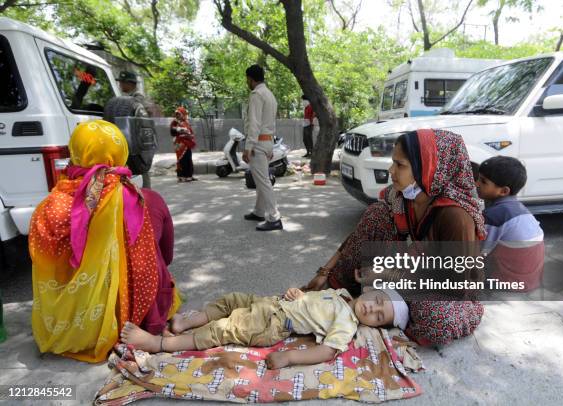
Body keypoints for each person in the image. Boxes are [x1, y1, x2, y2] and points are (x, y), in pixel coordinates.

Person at [302, 129, 486, 346]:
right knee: (376, 214)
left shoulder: (456, 216)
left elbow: (454, 284)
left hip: (449, 288)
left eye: (400, 165)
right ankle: (349, 295)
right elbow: (362, 232)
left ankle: (395, 313)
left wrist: (391, 274)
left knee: (435, 318)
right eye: (393, 163)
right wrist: (326, 271)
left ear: (427, 168)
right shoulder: (402, 194)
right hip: (411, 269)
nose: (391, 170)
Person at [29, 119, 180, 363]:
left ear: (75, 152)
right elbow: (165, 256)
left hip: (69, 322)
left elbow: (46, 267)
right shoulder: (141, 199)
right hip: (132, 319)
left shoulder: (49, 207)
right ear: (121, 152)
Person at [120, 287, 408, 369]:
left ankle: (158, 344)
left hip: (273, 323)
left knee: (223, 329)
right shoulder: (343, 292)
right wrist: (299, 293)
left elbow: (326, 351)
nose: (372, 309)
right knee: (231, 299)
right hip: (271, 302)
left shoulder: (347, 324)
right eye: (377, 301)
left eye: (378, 317)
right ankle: (185, 321)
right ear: (371, 292)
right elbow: (311, 300)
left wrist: (289, 357)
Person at [476, 156, 545, 291]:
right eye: (478, 178)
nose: (476, 184)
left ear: (504, 191)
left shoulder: (496, 216)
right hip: (530, 280)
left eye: (483, 182)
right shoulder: (519, 209)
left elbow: (480, 252)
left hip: (508, 283)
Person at [242, 64, 282, 231]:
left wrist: (248, 146)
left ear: (251, 79)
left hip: (258, 142)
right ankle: (259, 211)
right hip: (267, 142)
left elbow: (255, 123)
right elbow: (270, 123)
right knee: (260, 179)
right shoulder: (269, 95)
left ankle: (274, 218)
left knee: (263, 181)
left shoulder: (257, 94)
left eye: (247, 79)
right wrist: (270, 147)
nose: (247, 82)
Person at [114, 70, 153, 189]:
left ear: (130, 84)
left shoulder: (137, 98)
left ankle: (146, 194)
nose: (120, 85)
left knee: (140, 168)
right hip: (130, 139)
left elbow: (146, 116)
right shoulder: (126, 99)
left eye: (122, 82)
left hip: (137, 140)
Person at [170, 106, 197, 182]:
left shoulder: (186, 122)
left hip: (187, 143)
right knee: (182, 159)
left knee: (189, 158)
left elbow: (190, 132)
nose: (178, 116)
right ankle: (182, 176)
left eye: (179, 114)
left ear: (183, 114)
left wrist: (188, 134)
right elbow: (172, 131)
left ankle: (189, 175)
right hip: (180, 144)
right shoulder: (175, 122)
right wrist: (179, 129)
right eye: (177, 114)